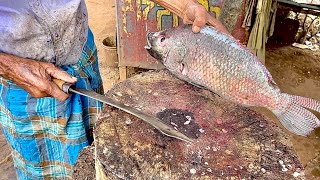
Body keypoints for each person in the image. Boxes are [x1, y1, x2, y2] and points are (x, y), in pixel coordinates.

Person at [0, 0, 227, 179]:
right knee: (45, 171)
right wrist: (9, 65)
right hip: (24, 83)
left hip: (80, 58)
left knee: (99, 154)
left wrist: (184, 5)